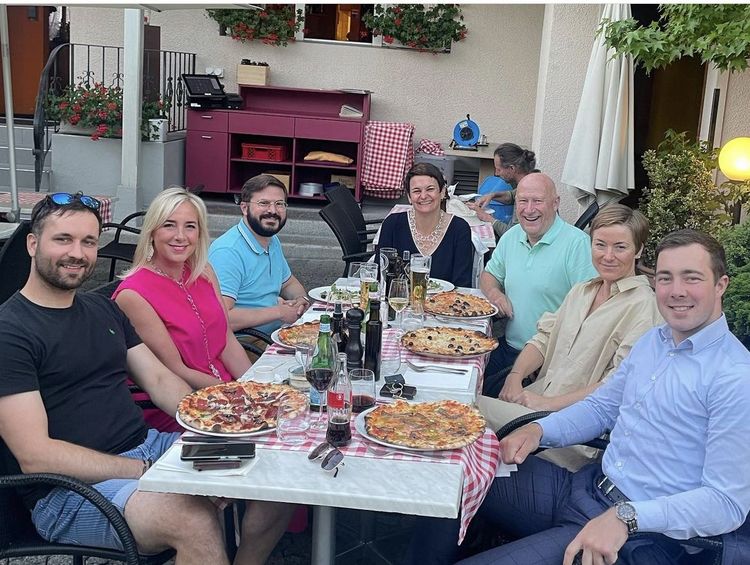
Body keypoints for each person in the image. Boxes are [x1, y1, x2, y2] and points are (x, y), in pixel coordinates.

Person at [411, 229, 750, 565]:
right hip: (588, 488)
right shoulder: (654, 342)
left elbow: (727, 503)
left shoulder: (734, 377)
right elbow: (602, 408)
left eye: (691, 278)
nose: (676, 291)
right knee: (452, 471)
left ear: (720, 285)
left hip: (639, 536)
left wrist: (628, 517)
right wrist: (539, 431)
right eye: (665, 278)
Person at [0, 193, 294, 564]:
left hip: (150, 447)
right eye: (63, 239)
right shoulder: (11, 332)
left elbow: (158, 380)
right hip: (69, 492)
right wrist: (146, 471)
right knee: (192, 519)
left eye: (88, 242)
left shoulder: (100, 308)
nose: (77, 253)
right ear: (32, 243)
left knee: (279, 473)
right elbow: (35, 456)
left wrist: (228, 419)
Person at [477, 204, 663, 471]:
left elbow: (617, 386)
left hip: (574, 433)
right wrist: (515, 377)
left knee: (465, 409)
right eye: (600, 245)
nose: (608, 256)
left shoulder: (644, 307)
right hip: (534, 402)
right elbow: (544, 338)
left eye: (620, 247)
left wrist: (548, 404)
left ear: (639, 250)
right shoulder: (582, 290)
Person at [113, 187, 252, 432]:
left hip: (224, 389)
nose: (180, 236)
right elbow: (175, 370)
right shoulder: (133, 294)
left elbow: (226, 339)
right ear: (152, 232)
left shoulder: (203, 271)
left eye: (190, 226)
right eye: (169, 225)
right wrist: (236, 394)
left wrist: (254, 386)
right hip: (178, 404)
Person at [480, 173, 597, 392]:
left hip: (547, 363)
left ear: (555, 203)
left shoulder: (577, 245)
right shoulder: (512, 236)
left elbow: (590, 309)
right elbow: (489, 275)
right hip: (509, 348)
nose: (529, 209)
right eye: (523, 201)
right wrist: (495, 294)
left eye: (537, 201)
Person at [209, 174, 310, 336]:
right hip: (247, 342)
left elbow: (288, 283)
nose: (273, 211)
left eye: (279, 204)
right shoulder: (228, 252)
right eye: (264, 203)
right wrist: (279, 312)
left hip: (278, 333)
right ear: (244, 208)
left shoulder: (271, 240)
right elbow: (220, 318)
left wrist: (301, 300)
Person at [378, 162, 474, 288]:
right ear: (409, 197)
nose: (423, 196)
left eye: (430, 189)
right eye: (416, 191)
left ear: (442, 192)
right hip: (399, 300)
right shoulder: (392, 224)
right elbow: (380, 277)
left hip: (447, 300)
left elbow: (462, 285)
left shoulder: (460, 229)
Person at [467, 143, 539, 238]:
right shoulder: (531, 179)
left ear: (512, 168)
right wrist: (492, 196)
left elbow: (513, 235)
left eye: (499, 169)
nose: (496, 173)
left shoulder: (527, 193)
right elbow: (512, 196)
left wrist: (488, 218)